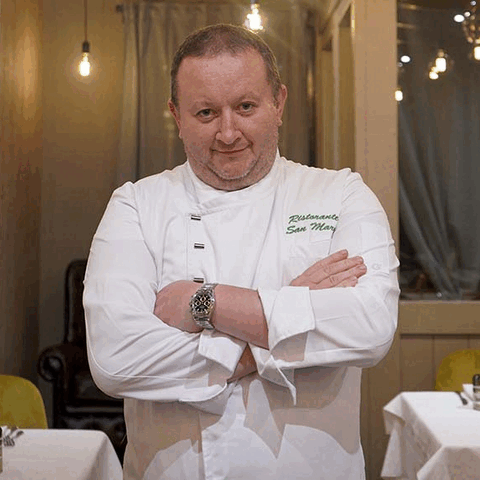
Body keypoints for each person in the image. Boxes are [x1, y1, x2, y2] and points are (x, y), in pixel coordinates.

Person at [83, 23, 399, 480]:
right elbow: (116, 359)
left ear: (279, 103)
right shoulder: (136, 205)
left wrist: (206, 303)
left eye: (246, 107)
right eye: (206, 112)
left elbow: (370, 327)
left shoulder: (341, 194)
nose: (228, 132)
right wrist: (285, 318)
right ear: (176, 115)